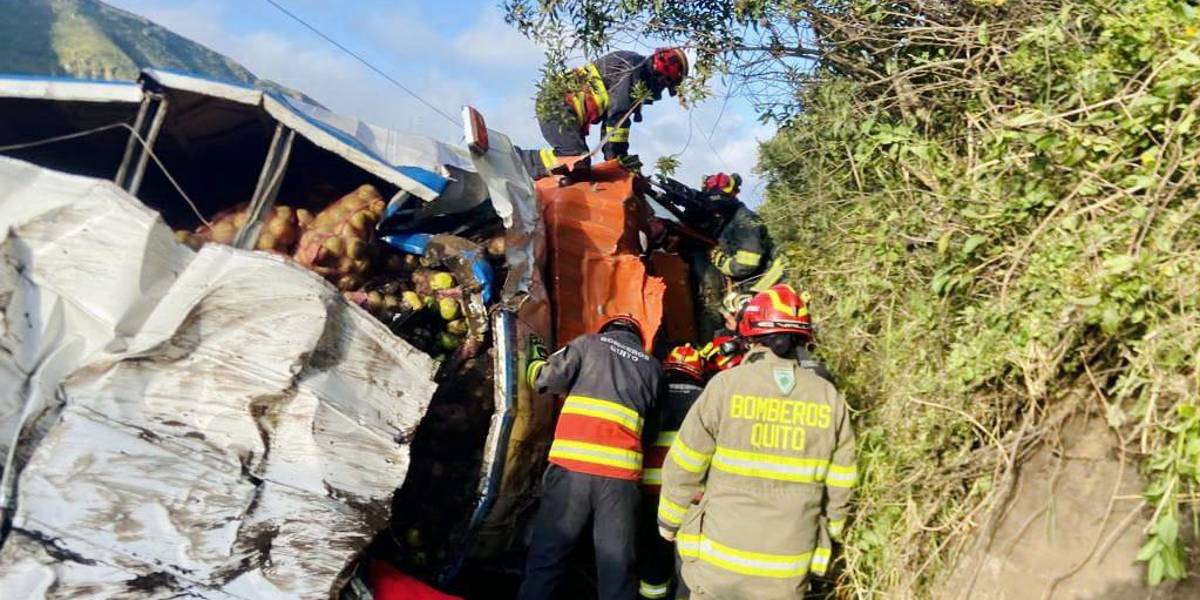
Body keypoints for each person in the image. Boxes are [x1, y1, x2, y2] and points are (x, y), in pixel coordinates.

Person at [657, 285, 856, 599]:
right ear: (803, 338)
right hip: (787, 569)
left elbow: (684, 465)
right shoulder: (827, 398)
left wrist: (668, 523)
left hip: (719, 564)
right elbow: (842, 481)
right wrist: (830, 533)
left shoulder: (725, 386)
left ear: (749, 334)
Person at [518, 316, 663, 600]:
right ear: (637, 339)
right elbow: (652, 431)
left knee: (548, 559)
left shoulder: (588, 344)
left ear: (607, 330)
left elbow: (544, 379)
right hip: (621, 480)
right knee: (617, 569)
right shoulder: (652, 368)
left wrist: (535, 357)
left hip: (573, 472)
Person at [519, 48, 689, 179]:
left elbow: (612, 121)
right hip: (558, 106)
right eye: (665, 85)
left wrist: (617, 160)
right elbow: (616, 121)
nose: (660, 91)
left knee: (579, 162)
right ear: (663, 74)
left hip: (562, 106)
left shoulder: (633, 65)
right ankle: (519, 160)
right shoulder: (633, 72)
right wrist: (618, 163)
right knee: (575, 159)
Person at [637, 344, 706, 599]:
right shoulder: (708, 398)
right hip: (692, 496)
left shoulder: (652, 394)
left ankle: (651, 595)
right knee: (687, 560)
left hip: (649, 492)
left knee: (653, 554)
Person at [688, 172, 788, 338]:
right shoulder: (727, 218)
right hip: (753, 286)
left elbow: (746, 264)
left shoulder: (745, 221)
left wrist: (721, 261)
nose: (715, 212)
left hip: (766, 285)